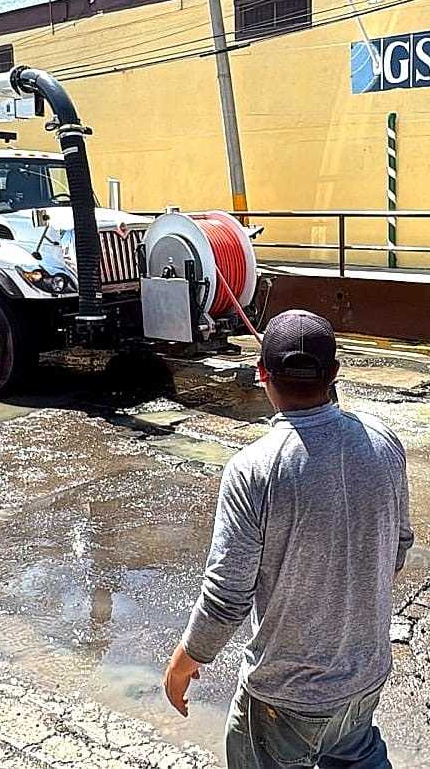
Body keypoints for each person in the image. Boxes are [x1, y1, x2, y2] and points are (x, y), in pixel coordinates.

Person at [163, 309, 414, 769]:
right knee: (354, 753)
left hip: (283, 696)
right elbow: (398, 547)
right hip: (364, 678)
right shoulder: (385, 443)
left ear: (262, 375)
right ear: (335, 374)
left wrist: (186, 660)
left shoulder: (253, 469)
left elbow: (227, 596)